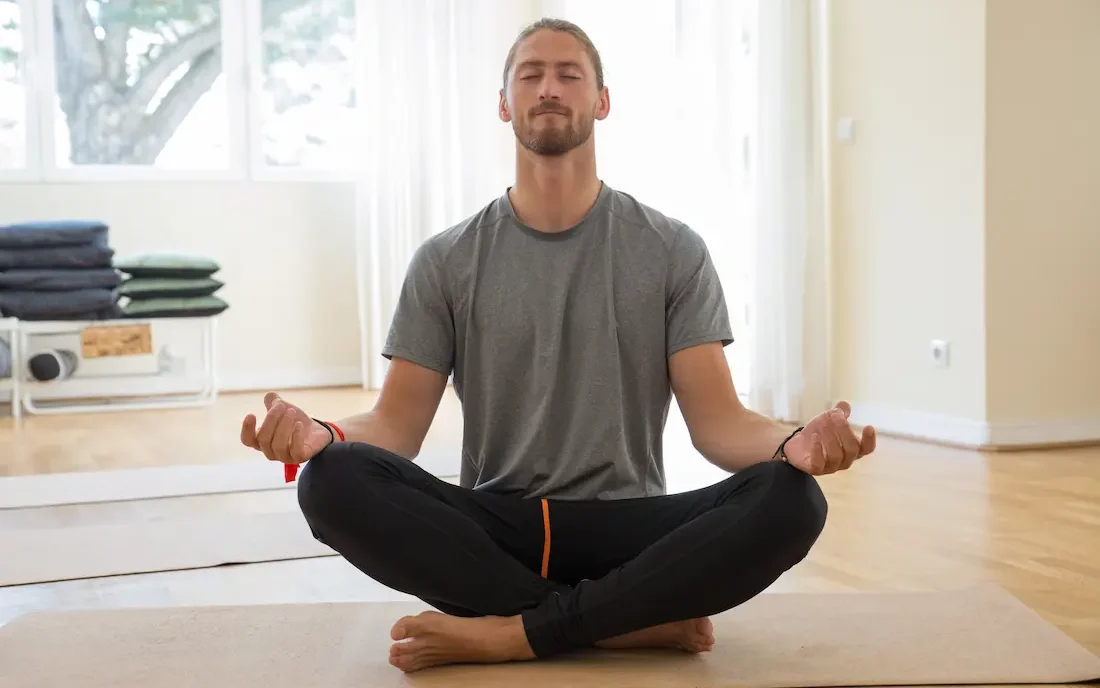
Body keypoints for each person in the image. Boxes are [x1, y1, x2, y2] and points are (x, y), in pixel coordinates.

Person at [240, 17, 876, 674]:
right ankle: (619, 622)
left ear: (601, 101)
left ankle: (511, 632)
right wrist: (322, 434)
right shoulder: (445, 261)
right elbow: (396, 426)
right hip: (497, 529)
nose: (549, 88)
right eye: (530, 74)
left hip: (633, 532)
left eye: (569, 74)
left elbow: (719, 426)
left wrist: (791, 444)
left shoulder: (671, 251)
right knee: (330, 481)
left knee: (793, 498)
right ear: (503, 103)